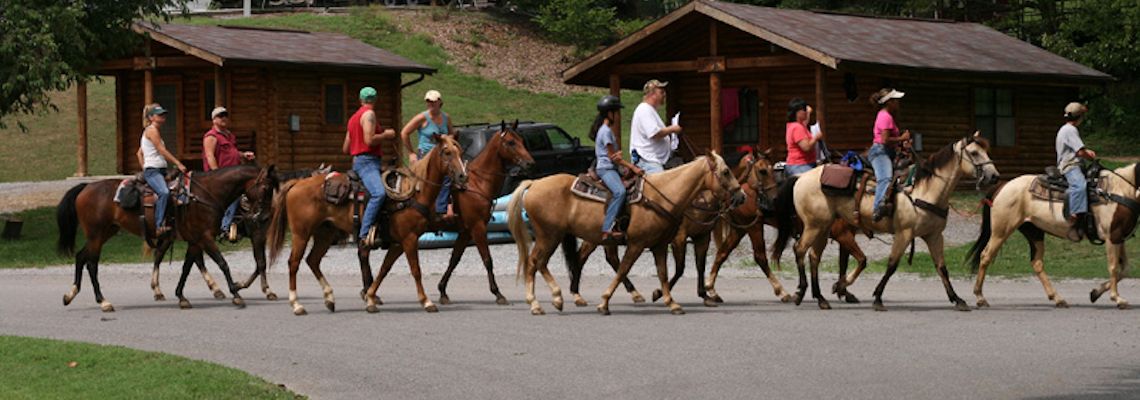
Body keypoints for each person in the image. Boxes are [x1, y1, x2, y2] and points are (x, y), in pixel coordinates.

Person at [342, 87, 396, 248]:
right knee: (378, 193)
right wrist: (387, 135)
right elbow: (370, 140)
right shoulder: (369, 115)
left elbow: (345, 148)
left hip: (357, 160)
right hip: (368, 162)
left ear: (360, 100)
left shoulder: (353, 119)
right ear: (375, 100)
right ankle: (363, 235)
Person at [592, 95, 644, 243]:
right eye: (616, 112)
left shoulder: (604, 130)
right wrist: (633, 167)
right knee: (619, 192)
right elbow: (613, 157)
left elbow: (612, 154)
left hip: (610, 166)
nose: (618, 115)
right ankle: (607, 228)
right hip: (606, 168)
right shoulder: (606, 131)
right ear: (610, 113)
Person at [202, 106, 255, 242]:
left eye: (225, 115)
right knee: (235, 196)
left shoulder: (229, 135)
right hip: (221, 177)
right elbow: (210, 156)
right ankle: (225, 228)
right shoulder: (211, 136)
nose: (224, 118)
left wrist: (244, 154)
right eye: (220, 116)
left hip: (233, 174)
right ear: (214, 120)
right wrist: (216, 174)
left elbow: (232, 153)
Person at [400, 89, 456, 217]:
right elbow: (404, 132)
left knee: (448, 177)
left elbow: (452, 132)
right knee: (426, 181)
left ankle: (441, 209)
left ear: (439, 102)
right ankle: (423, 208)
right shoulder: (422, 118)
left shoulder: (446, 118)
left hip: (441, 155)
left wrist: (447, 139)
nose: (430, 104)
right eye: (428, 102)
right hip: (425, 154)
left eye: (433, 102)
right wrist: (411, 153)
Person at [136, 103, 188, 236]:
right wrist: (178, 163)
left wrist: (144, 166)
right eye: (159, 114)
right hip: (154, 170)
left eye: (163, 114)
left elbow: (139, 153)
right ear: (151, 117)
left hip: (159, 169)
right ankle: (159, 225)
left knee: (182, 188)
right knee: (164, 192)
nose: (163, 116)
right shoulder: (151, 130)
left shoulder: (152, 131)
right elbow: (161, 150)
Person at [867, 88, 912, 221]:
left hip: (887, 151)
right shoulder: (885, 116)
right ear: (889, 102)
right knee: (885, 178)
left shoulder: (887, 116)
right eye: (896, 101)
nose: (898, 103)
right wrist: (902, 138)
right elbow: (885, 140)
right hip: (880, 152)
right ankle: (877, 209)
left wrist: (902, 143)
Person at [1056, 102, 1096, 241]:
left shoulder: (1065, 129)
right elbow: (1079, 151)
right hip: (1070, 165)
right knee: (1079, 185)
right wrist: (1089, 155)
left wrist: (1086, 152)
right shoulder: (1070, 130)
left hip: (1070, 162)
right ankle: (1074, 215)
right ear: (1080, 117)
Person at [630, 79, 682, 174]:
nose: (664, 95)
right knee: (662, 184)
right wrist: (673, 128)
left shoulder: (650, 110)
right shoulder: (644, 110)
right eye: (661, 92)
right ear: (652, 94)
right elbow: (654, 133)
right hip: (647, 160)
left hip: (655, 159)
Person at [784, 98, 822, 177]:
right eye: (803, 109)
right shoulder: (797, 128)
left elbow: (805, 122)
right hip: (800, 165)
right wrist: (816, 138)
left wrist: (808, 112)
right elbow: (806, 147)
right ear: (797, 113)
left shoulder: (795, 125)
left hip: (798, 164)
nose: (805, 111)